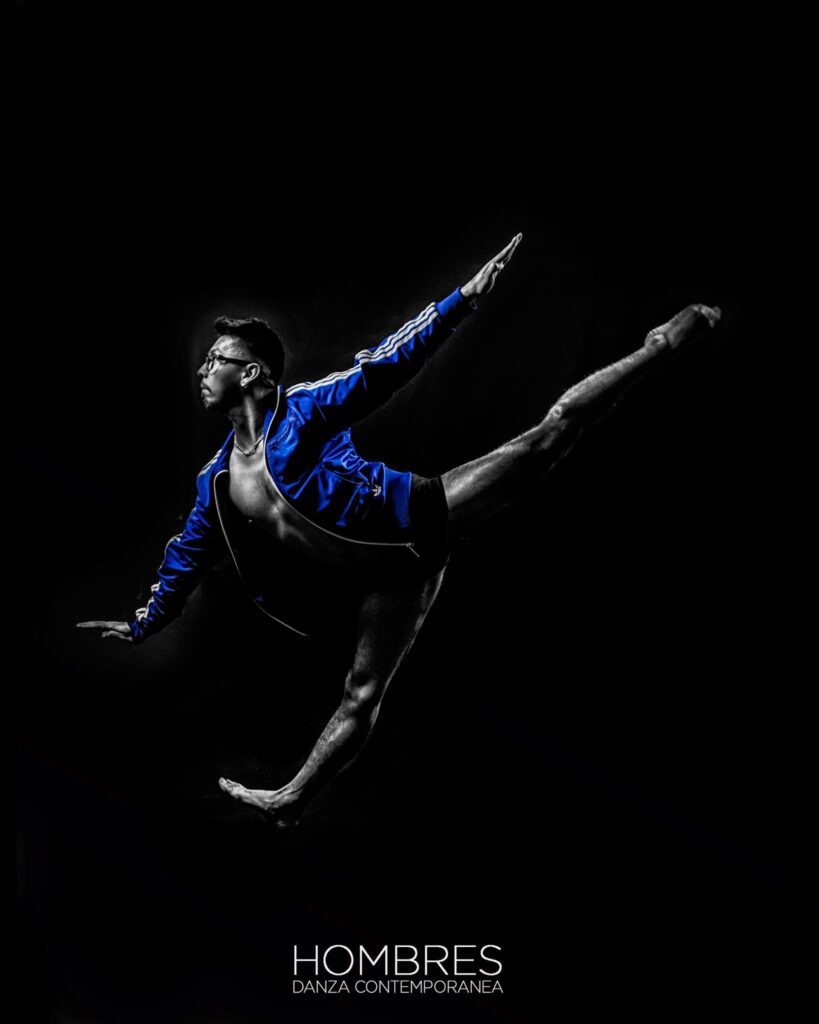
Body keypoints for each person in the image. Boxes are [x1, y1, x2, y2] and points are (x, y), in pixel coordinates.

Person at [77, 234, 721, 826]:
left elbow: (382, 367)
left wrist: (461, 301)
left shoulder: (302, 411)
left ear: (251, 373)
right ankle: (289, 802)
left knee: (548, 437)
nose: (202, 370)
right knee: (360, 695)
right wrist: (144, 623)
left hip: (420, 514)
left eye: (216, 360)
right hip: (390, 579)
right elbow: (186, 557)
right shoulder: (216, 483)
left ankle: (658, 346)